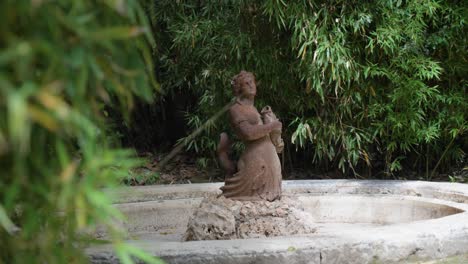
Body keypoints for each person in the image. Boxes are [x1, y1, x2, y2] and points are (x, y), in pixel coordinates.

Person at [218, 71, 283, 201]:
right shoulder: (235, 109)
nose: (250, 85)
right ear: (239, 88)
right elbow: (248, 133)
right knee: (253, 195)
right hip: (255, 161)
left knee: (270, 197)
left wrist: (269, 121)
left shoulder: (253, 108)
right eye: (246, 83)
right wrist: (272, 125)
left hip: (268, 158)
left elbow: (260, 130)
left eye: (252, 82)